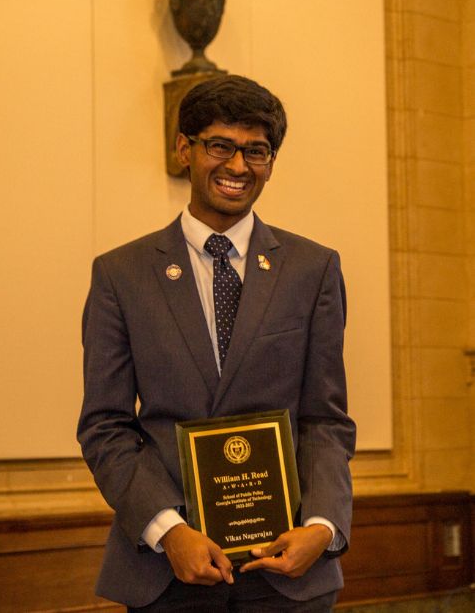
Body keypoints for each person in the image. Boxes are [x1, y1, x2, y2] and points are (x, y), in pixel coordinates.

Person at [78, 75, 356, 612]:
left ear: (271, 162)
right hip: (167, 573)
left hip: (288, 572)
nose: (237, 166)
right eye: (220, 146)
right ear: (185, 149)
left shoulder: (313, 269)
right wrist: (168, 530)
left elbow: (326, 418)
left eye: (256, 151)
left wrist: (323, 525)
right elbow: (105, 424)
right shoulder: (120, 274)